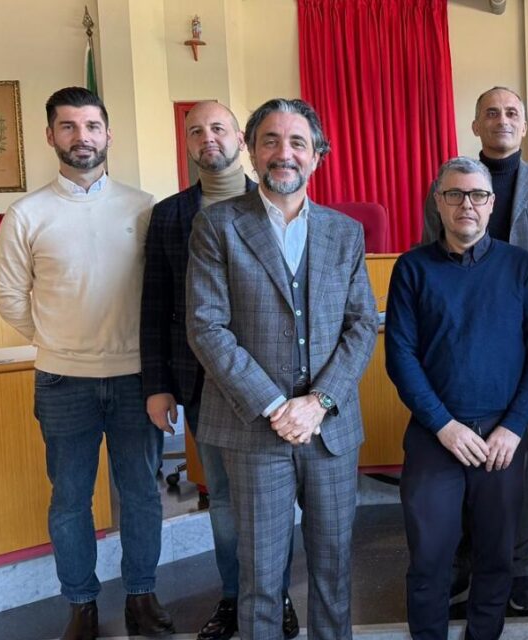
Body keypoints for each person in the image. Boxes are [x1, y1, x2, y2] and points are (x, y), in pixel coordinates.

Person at [186, 98, 378, 640]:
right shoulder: (217, 225)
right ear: (251, 151)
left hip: (330, 429)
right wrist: (276, 406)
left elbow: (362, 324)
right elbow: (206, 327)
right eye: (270, 140)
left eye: (297, 142)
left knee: (334, 571)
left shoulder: (345, 232)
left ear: (317, 155)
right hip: (253, 429)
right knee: (260, 578)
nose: (284, 152)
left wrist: (318, 402)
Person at [0, 86, 174, 640]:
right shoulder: (26, 214)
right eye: (68, 126)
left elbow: (163, 291)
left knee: (141, 492)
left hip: (135, 379)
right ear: (50, 135)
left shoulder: (143, 207)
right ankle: (81, 605)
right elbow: (10, 297)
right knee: (70, 498)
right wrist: (57, 341)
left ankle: (142, 596)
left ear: (108, 134)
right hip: (62, 380)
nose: (82, 137)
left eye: (92, 126)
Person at [139, 100, 300, 640]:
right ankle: (235, 597)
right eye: (195, 131)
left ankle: (275, 597)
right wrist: (158, 384)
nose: (207, 138)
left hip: (272, 385)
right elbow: (156, 304)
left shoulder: (277, 200)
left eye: (218, 128)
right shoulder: (170, 215)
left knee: (273, 501)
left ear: (243, 141)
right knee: (226, 501)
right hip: (204, 384)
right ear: (186, 143)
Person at [422, 86, 528, 612]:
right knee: (465, 461)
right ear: (476, 125)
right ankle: (469, 561)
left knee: (523, 466)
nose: (502, 120)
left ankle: (520, 569)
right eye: (491, 112)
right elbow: (435, 263)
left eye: (512, 112)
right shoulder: (449, 183)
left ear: (525, 125)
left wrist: (527, 321)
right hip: (462, 351)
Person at [389, 156, 528, 639]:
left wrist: (514, 427)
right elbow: (400, 356)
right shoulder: (412, 268)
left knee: (496, 556)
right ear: (438, 202)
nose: (467, 204)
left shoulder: (521, 267)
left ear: (491, 204)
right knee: (429, 558)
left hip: (502, 439)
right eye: (455, 194)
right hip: (434, 435)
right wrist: (444, 425)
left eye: (477, 195)